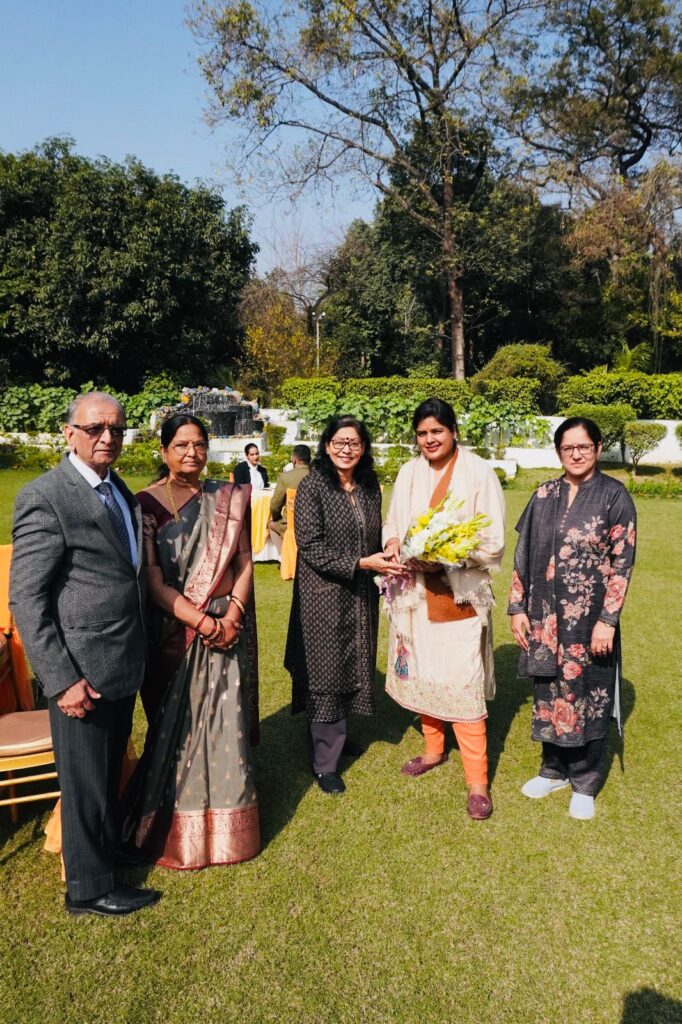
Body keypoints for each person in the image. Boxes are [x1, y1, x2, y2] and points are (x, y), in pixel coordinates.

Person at [9, 392, 160, 917]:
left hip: (120, 660)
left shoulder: (117, 488)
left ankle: (108, 851)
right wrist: (60, 679)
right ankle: (89, 889)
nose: (107, 438)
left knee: (107, 770)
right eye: (95, 428)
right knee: (84, 782)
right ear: (69, 433)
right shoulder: (46, 496)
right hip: (81, 670)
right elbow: (26, 598)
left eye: (117, 429)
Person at [121, 414, 261, 868]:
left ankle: (229, 824)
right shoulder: (146, 504)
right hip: (175, 633)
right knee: (176, 731)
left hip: (227, 626)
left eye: (199, 444)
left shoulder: (228, 497)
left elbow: (244, 560)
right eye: (181, 445)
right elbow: (153, 581)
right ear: (164, 451)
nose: (191, 453)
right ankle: (174, 826)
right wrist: (203, 623)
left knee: (224, 723)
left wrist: (232, 614)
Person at [382, 398, 505, 820]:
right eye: (422, 433)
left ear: (453, 431)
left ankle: (478, 782)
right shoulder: (408, 472)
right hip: (412, 595)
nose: (429, 439)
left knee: (461, 680)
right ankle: (433, 749)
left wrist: (447, 558)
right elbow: (392, 523)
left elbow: (493, 540)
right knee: (422, 671)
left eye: (437, 431)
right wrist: (394, 543)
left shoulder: (478, 471)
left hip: (458, 596)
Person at [508, 416, 636, 820]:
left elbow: (623, 564)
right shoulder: (543, 494)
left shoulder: (614, 495)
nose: (576, 454)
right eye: (568, 447)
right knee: (548, 690)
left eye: (584, 446)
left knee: (589, 694)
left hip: (589, 621)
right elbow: (523, 555)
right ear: (559, 451)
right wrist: (517, 608)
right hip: (545, 617)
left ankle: (584, 780)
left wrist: (608, 620)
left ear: (597, 448)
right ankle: (553, 770)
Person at [284, 415, 403, 795]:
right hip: (322, 595)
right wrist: (360, 563)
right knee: (326, 671)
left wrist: (388, 546)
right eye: (339, 442)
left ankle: (335, 736)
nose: (346, 449)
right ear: (326, 445)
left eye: (354, 443)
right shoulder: (313, 485)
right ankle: (325, 763)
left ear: (364, 448)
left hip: (359, 594)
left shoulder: (368, 486)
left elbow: (374, 530)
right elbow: (310, 545)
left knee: (352, 663)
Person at [268, 443, 311, 551]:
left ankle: (283, 555)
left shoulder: (285, 477)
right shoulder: (318, 476)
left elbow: (275, 505)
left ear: (294, 459)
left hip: (291, 525)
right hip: (313, 524)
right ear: (309, 459)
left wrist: (277, 518)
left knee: (271, 525)